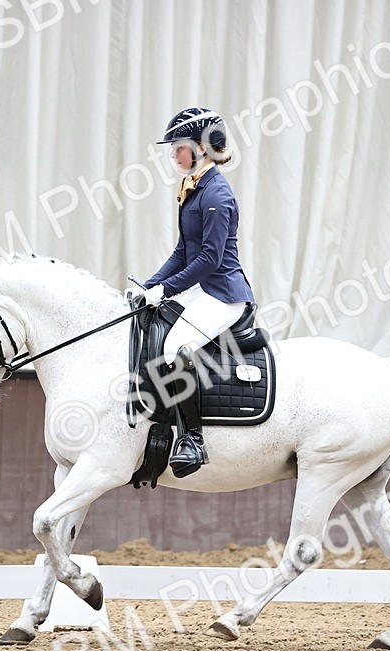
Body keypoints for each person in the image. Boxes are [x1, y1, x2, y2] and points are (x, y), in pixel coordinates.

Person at [127, 107, 255, 478]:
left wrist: (167, 288)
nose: (172, 154)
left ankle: (192, 439)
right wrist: (150, 286)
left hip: (225, 295)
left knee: (174, 348)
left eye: (178, 147)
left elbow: (210, 259)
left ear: (200, 148)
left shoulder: (216, 195)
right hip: (207, 291)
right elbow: (183, 252)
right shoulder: (193, 189)